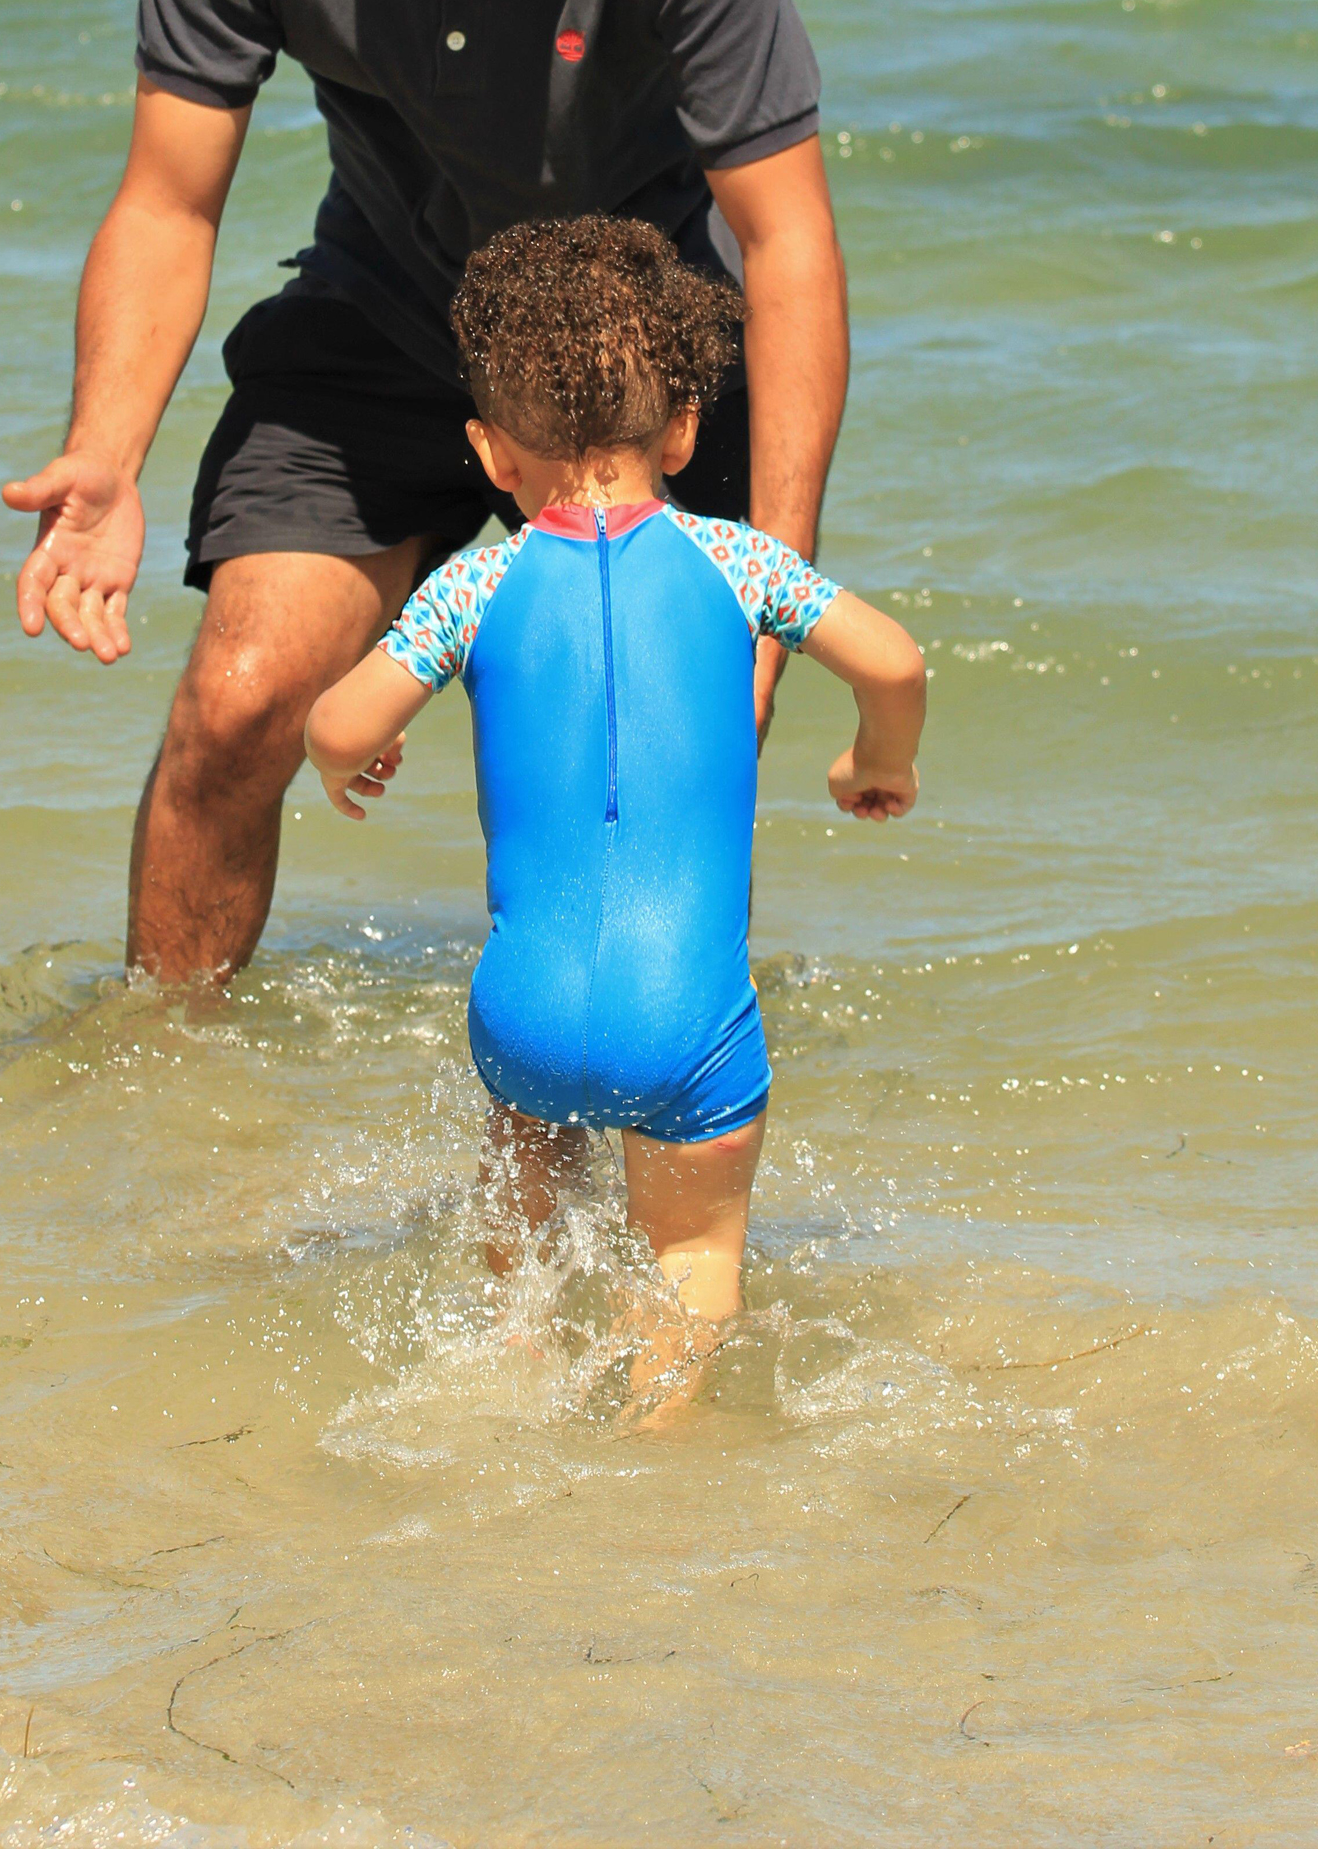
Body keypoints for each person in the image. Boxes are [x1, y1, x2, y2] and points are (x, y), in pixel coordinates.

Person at [3, 0, 848, 981]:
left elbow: (788, 248)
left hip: (637, 380)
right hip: (391, 329)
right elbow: (168, 203)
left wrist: (773, 579)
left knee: (638, 794)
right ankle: (159, 1122)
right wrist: (106, 453)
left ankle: (616, 1180)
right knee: (237, 706)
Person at [303, 216, 925, 1413]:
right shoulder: (740, 564)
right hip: (686, 1023)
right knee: (689, 1259)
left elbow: (333, 723)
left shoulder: (471, 586)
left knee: (520, 1227)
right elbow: (892, 663)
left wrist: (352, 761)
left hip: (521, 1015)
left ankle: (510, 1383)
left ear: (490, 455)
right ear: (684, 429)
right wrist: (868, 763)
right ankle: (658, 1451)